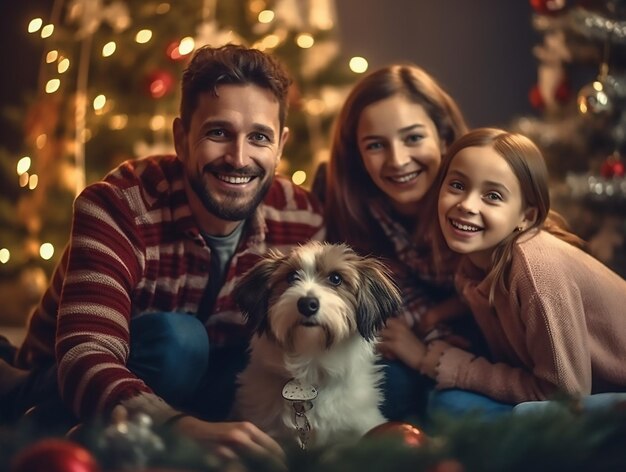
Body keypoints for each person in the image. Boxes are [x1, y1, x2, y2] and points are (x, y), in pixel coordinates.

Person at [3, 44, 324, 463]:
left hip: (206, 381)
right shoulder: (120, 205)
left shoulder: (301, 219)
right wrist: (180, 427)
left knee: (257, 356)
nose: (239, 158)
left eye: (259, 137)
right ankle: (43, 417)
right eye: (218, 132)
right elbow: (86, 354)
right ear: (181, 139)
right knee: (182, 342)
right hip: (67, 377)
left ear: (280, 145)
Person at [403, 127, 626, 416]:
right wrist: (437, 315)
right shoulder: (476, 255)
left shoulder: (537, 271)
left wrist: (456, 367)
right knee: (444, 402)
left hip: (601, 400)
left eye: (492, 195)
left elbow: (564, 395)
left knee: (449, 407)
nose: (467, 205)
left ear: (526, 216)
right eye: (457, 185)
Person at [316, 64, 474, 421]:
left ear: (445, 137)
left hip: (487, 348)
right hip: (404, 349)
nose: (398, 160)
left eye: (413, 137)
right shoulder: (353, 207)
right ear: (357, 155)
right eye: (375, 145)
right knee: (384, 385)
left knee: (451, 408)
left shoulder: (478, 199)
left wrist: (434, 320)